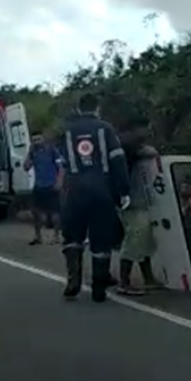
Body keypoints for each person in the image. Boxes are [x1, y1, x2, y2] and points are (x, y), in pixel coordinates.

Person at [57, 93, 130, 302]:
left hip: (74, 190)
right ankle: (99, 288)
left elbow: (61, 163)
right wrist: (123, 190)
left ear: (79, 108)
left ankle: (73, 281)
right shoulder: (105, 128)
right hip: (101, 190)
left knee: (72, 238)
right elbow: (117, 160)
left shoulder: (67, 131)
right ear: (97, 108)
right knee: (101, 240)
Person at [116, 116, 163, 295]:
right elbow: (146, 152)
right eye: (145, 128)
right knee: (136, 238)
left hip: (138, 198)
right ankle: (124, 281)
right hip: (130, 200)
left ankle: (148, 277)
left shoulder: (130, 144)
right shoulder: (126, 144)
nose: (147, 132)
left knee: (145, 238)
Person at [23, 129, 63, 245]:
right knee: (37, 212)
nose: (36, 142)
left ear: (43, 139)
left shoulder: (52, 150)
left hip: (51, 185)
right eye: (34, 140)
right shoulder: (33, 152)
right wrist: (29, 154)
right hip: (39, 185)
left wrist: (59, 182)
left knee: (55, 213)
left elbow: (61, 167)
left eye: (38, 139)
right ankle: (38, 236)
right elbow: (26, 167)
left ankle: (56, 236)